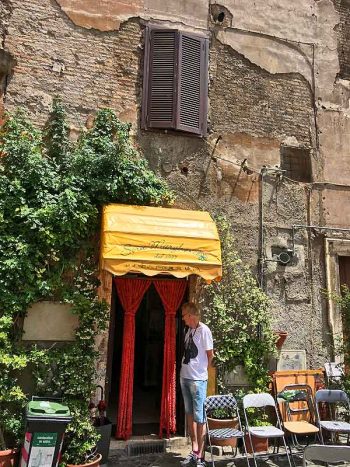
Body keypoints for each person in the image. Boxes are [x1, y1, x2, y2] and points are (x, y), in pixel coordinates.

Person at [180, 302, 214, 467]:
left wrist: (202, 372)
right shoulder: (189, 330)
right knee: (189, 413)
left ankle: (200, 455)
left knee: (200, 417)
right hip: (185, 377)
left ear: (191, 315)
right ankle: (194, 451)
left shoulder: (204, 330)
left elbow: (210, 355)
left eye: (184, 315)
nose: (182, 318)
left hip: (198, 379)